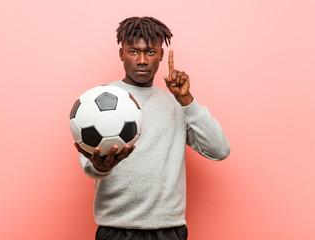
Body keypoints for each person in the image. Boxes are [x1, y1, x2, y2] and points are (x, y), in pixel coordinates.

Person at [75, 16, 230, 240]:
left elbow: (220, 150)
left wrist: (187, 100)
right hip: (116, 229)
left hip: (169, 229)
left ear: (161, 56)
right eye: (133, 51)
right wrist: (99, 167)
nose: (142, 60)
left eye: (150, 52)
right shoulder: (99, 100)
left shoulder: (177, 104)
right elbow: (89, 167)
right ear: (121, 54)